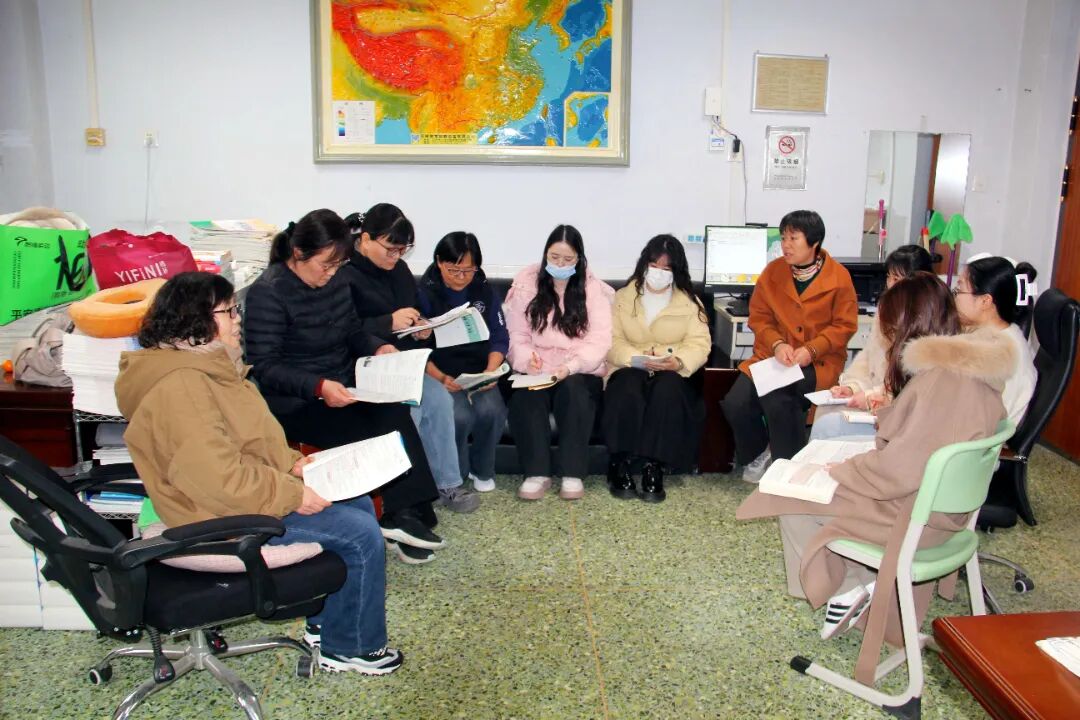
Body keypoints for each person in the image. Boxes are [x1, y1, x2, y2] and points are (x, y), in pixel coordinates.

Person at [115, 271, 403, 674]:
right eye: (229, 311)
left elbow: (249, 439)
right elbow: (217, 480)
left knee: (356, 502)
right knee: (358, 534)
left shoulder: (210, 367)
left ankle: (327, 626)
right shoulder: (181, 387)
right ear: (195, 319)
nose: (238, 320)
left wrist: (291, 463)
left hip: (238, 497)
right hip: (217, 518)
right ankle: (350, 647)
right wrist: (292, 494)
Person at [736, 272, 1014, 656]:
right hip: (944, 511)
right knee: (815, 485)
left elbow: (898, 472)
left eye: (891, 333)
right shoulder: (971, 369)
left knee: (792, 498)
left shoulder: (941, 382)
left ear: (907, 329)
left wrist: (843, 470)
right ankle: (856, 583)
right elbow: (923, 443)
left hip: (916, 517)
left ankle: (848, 587)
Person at [243, 209, 443, 565]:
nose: (331, 274)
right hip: (297, 402)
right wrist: (319, 387)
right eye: (326, 265)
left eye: (337, 266)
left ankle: (408, 509)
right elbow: (265, 365)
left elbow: (352, 330)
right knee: (368, 427)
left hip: (342, 386)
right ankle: (397, 514)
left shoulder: (335, 282)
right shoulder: (269, 292)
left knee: (393, 408)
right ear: (299, 254)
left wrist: (377, 347)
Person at [342, 204, 479, 514]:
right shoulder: (344, 273)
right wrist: (388, 323)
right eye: (390, 249)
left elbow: (414, 313)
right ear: (366, 239)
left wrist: (421, 330)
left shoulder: (400, 272)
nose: (396, 257)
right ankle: (408, 495)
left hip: (402, 363)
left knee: (439, 400)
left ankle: (447, 484)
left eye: (402, 250)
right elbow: (344, 328)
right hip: (361, 368)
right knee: (410, 410)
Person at [720, 210, 859, 483]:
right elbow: (759, 317)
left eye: (793, 238)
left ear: (814, 242)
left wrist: (811, 349)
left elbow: (844, 326)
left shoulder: (839, 277)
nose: (786, 245)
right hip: (774, 357)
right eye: (783, 238)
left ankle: (788, 467)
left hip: (818, 361)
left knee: (779, 398)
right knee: (736, 402)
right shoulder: (773, 272)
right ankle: (760, 452)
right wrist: (777, 344)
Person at [504, 224, 614, 500]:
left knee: (575, 392)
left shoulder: (592, 289)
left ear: (579, 259)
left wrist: (571, 366)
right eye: (554, 257)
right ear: (545, 255)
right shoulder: (527, 284)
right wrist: (526, 360)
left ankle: (572, 473)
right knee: (527, 395)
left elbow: (600, 341)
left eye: (568, 259)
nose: (560, 265)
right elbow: (517, 335)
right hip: (538, 367)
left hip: (578, 367)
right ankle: (536, 473)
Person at [602, 234, 711, 503]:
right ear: (644, 264)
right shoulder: (623, 298)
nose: (659, 273)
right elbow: (611, 340)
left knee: (668, 387)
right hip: (629, 365)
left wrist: (677, 360)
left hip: (670, 369)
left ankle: (654, 466)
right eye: (654, 266)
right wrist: (634, 357)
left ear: (676, 271)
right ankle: (620, 463)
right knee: (627, 384)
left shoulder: (690, 303)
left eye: (666, 268)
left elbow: (699, 344)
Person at [416, 231, 509, 493]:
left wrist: (490, 371)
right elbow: (416, 346)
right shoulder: (424, 293)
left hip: (479, 369)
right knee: (458, 416)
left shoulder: (484, 291)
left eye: (468, 270)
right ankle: (456, 473)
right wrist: (440, 378)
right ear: (439, 262)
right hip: (440, 372)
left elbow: (500, 337)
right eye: (453, 270)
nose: (461, 277)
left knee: (492, 411)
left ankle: (482, 469)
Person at [809, 244, 933, 441]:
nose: (890, 284)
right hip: (875, 398)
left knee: (828, 425)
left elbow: (906, 387)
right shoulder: (886, 309)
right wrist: (852, 387)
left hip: (894, 418)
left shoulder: (924, 322)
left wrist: (869, 397)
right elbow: (868, 358)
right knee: (825, 410)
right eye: (889, 277)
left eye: (897, 279)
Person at [953, 253, 1039, 426]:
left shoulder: (999, 351)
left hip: (979, 435)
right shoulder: (998, 334)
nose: (954, 298)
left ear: (985, 301)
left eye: (959, 290)